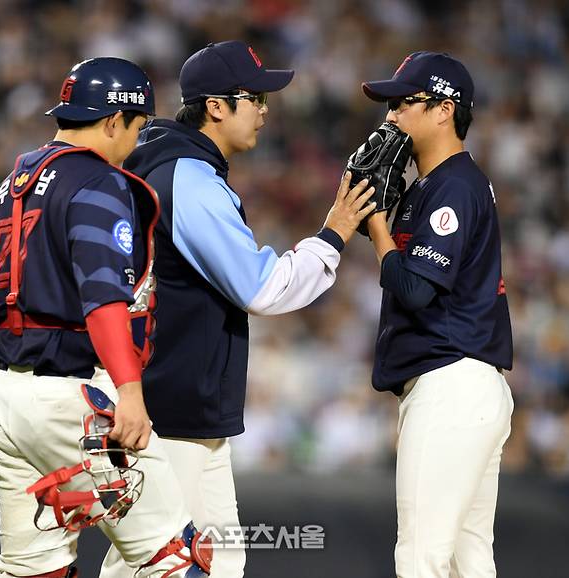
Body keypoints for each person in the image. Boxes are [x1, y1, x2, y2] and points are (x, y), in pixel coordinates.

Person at [101, 40, 376, 578]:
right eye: (253, 97)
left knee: (218, 562)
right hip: (167, 409)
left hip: (180, 407)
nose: (265, 108)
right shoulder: (187, 176)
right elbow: (262, 289)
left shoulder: (172, 166)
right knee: (158, 563)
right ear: (216, 106)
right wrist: (334, 235)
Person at [0, 57, 212, 578]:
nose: (136, 139)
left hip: (4, 398)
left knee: (32, 571)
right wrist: (130, 391)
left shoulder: (11, 181)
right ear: (113, 121)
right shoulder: (97, 181)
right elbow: (103, 297)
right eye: (137, 125)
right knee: (177, 559)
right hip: (69, 400)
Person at [361, 51, 514, 577]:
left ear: (445, 109)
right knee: (466, 562)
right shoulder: (435, 184)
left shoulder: (454, 185)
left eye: (405, 102)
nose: (392, 115)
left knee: (421, 557)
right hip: (467, 385)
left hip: (452, 385)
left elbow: (415, 290)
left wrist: (379, 229)